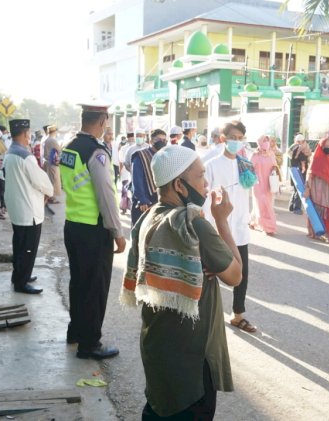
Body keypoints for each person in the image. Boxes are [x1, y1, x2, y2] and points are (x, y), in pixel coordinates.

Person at [120, 145, 243, 420]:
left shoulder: (148, 218)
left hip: (157, 347)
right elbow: (235, 275)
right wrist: (222, 222)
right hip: (192, 359)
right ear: (179, 184)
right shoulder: (194, 225)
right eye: (200, 176)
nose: (206, 182)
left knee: (158, 409)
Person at [60, 100, 126, 359]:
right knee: (95, 288)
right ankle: (90, 344)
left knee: (79, 283)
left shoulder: (70, 148)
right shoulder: (96, 151)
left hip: (73, 225)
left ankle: (76, 332)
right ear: (101, 121)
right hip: (92, 230)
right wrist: (117, 231)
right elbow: (106, 194)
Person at [204, 120, 257, 333]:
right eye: (232, 138)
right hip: (217, 227)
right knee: (211, 272)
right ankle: (207, 315)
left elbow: (248, 194)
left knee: (241, 273)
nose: (236, 142)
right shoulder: (211, 165)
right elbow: (204, 198)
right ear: (223, 139)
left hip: (240, 228)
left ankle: (238, 315)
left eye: (240, 138)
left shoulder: (246, 165)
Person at [4, 119, 54, 295]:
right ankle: (21, 282)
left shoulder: (10, 153)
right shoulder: (26, 156)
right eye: (29, 133)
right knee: (28, 247)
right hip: (28, 209)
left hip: (18, 207)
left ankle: (18, 275)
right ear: (26, 134)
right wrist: (50, 191)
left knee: (19, 243)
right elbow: (41, 181)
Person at [304, 137, 329, 244]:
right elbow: (310, 175)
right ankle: (316, 232)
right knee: (319, 210)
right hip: (318, 190)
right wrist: (307, 188)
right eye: (326, 146)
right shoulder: (316, 159)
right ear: (321, 147)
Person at [130, 128, 167, 227]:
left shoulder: (164, 156)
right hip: (144, 201)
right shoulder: (141, 156)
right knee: (140, 231)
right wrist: (142, 199)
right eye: (159, 140)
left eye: (164, 140)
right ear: (151, 141)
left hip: (158, 200)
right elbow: (137, 179)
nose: (162, 142)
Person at [250, 136, 278, 235]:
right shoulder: (255, 155)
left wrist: (274, 169)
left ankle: (254, 221)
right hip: (257, 184)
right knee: (261, 204)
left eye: (267, 141)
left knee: (267, 205)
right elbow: (250, 168)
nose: (266, 142)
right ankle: (268, 227)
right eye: (264, 141)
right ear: (259, 142)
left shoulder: (271, 154)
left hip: (269, 183)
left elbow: (274, 165)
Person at [288, 133, 310, 215]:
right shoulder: (300, 148)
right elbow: (303, 160)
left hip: (294, 169)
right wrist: (304, 168)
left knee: (296, 188)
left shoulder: (292, 147)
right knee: (299, 189)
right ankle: (297, 208)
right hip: (299, 170)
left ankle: (291, 206)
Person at [43, 124, 62, 204]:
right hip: (52, 162)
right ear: (54, 132)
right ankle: (51, 197)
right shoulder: (52, 140)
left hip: (48, 162)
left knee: (51, 179)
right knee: (53, 180)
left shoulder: (47, 139)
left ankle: (50, 197)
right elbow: (59, 150)